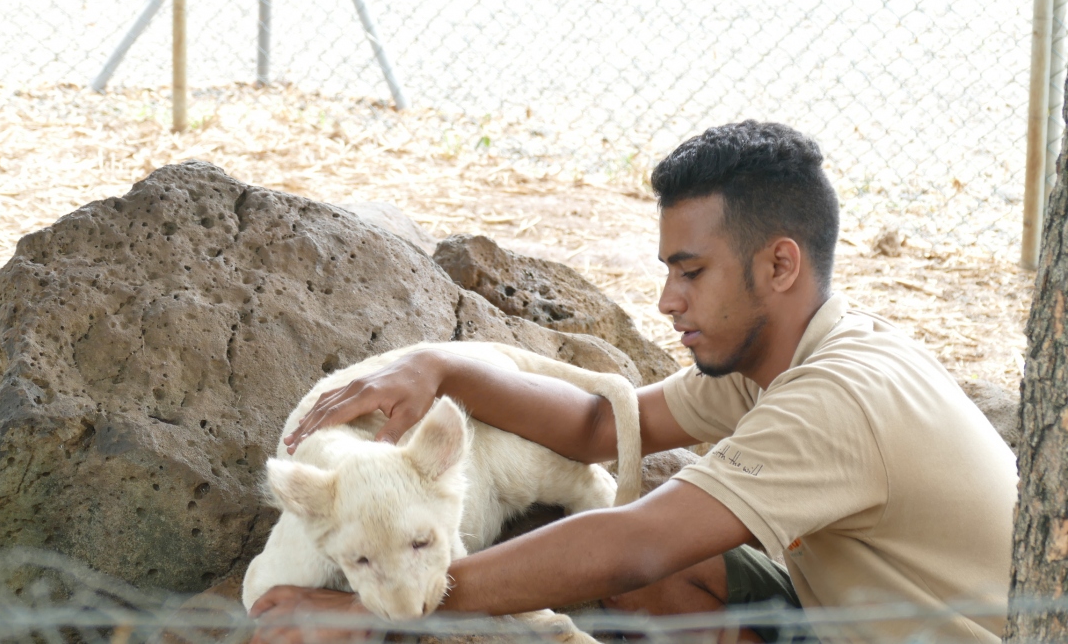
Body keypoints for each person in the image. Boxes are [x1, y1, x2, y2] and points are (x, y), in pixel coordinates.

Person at [247, 121, 1017, 644]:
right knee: (657, 566)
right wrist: (441, 365)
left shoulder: (837, 398)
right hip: (838, 612)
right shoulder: (784, 357)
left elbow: (635, 545)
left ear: (780, 263)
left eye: (692, 271)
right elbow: (599, 426)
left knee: (637, 552)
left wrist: (375, 609)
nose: (667, 300)